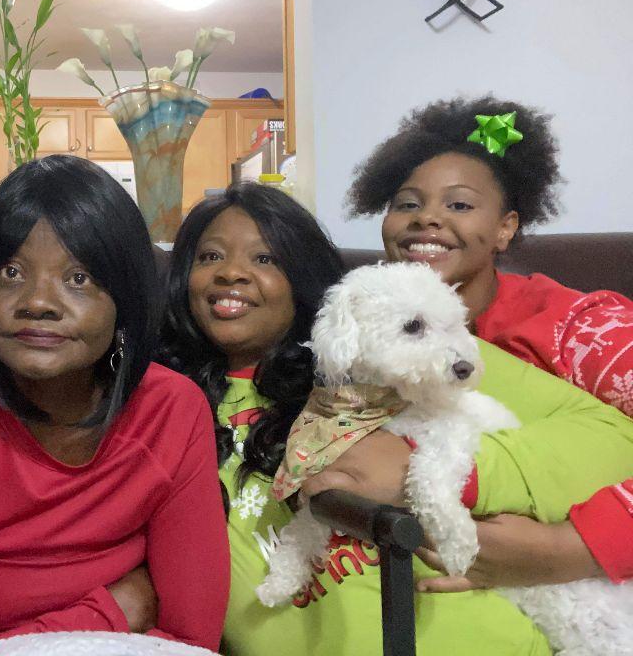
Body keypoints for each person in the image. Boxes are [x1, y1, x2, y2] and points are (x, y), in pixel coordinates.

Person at [158, 181, 633, 655]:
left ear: (301, 275)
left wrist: (445, 476)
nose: (232, 274)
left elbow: (615, 439)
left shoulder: (410, 354)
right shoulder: (162, 404)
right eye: (209, 257)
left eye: (265, 259)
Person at [0, 155, 230, 656]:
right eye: (10, 272)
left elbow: (189, 639)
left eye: (78, 279)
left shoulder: (171, 410)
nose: (37, 301)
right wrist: (114, 610)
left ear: (125, 298)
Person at [335, 96, 633, 587]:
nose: (426, 218)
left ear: (505, 228)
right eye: (407, 203)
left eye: (459, 204)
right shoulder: (357, 336)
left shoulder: (580, 327)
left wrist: (570, 551)